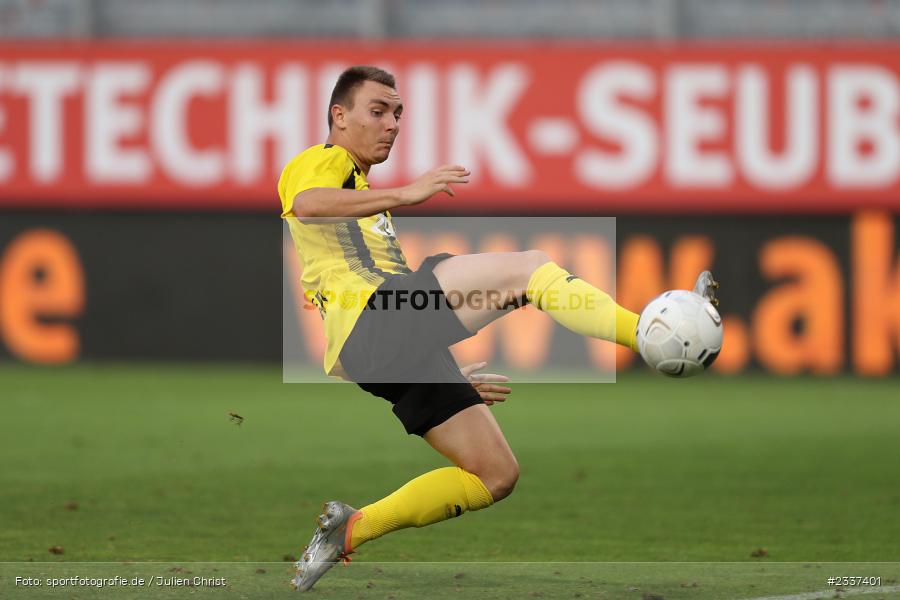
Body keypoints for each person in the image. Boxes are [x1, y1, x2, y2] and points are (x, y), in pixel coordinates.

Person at [278, 65, 718, 592]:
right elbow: (306, 205)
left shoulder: (358, 190)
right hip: (376, 319)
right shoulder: (319, 162)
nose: (392, 123)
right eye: (378, 110)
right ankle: (649, 331)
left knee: (495, 475)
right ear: (338, 115)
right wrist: (408, 192)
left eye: (398, 113)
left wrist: (434, 366)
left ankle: (351, 530)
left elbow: (344, 330)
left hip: (373, 345)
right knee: (528, 270)